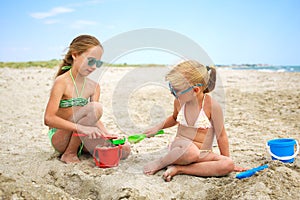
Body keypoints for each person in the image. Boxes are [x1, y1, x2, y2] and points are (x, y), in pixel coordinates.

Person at [143, 60, 246, 181]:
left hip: (203, 154)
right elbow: (174, 118)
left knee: (227, 164)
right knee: (191, 152)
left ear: (195, 90)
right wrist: (158, 127)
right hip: (180, 149)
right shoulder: (179, 102)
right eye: (171, 88)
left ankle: (179, 169)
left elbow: (221, 136)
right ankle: (162, 162)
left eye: (176, 90)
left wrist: (226, 159)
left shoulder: (212, 106)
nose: (172, 93)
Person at [44, 35, 130, 163]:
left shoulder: (94, 86)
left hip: (82, 137)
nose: (94, 66)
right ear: (75, 55)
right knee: (95, 107)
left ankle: (80, 149)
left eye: (98, 63)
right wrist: (80, 128)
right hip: (62, 138)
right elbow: (49, 119)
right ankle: (69, 153)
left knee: (124, 149)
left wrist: (107, 134)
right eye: (90, 60)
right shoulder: (62, 82)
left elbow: (92, 117)